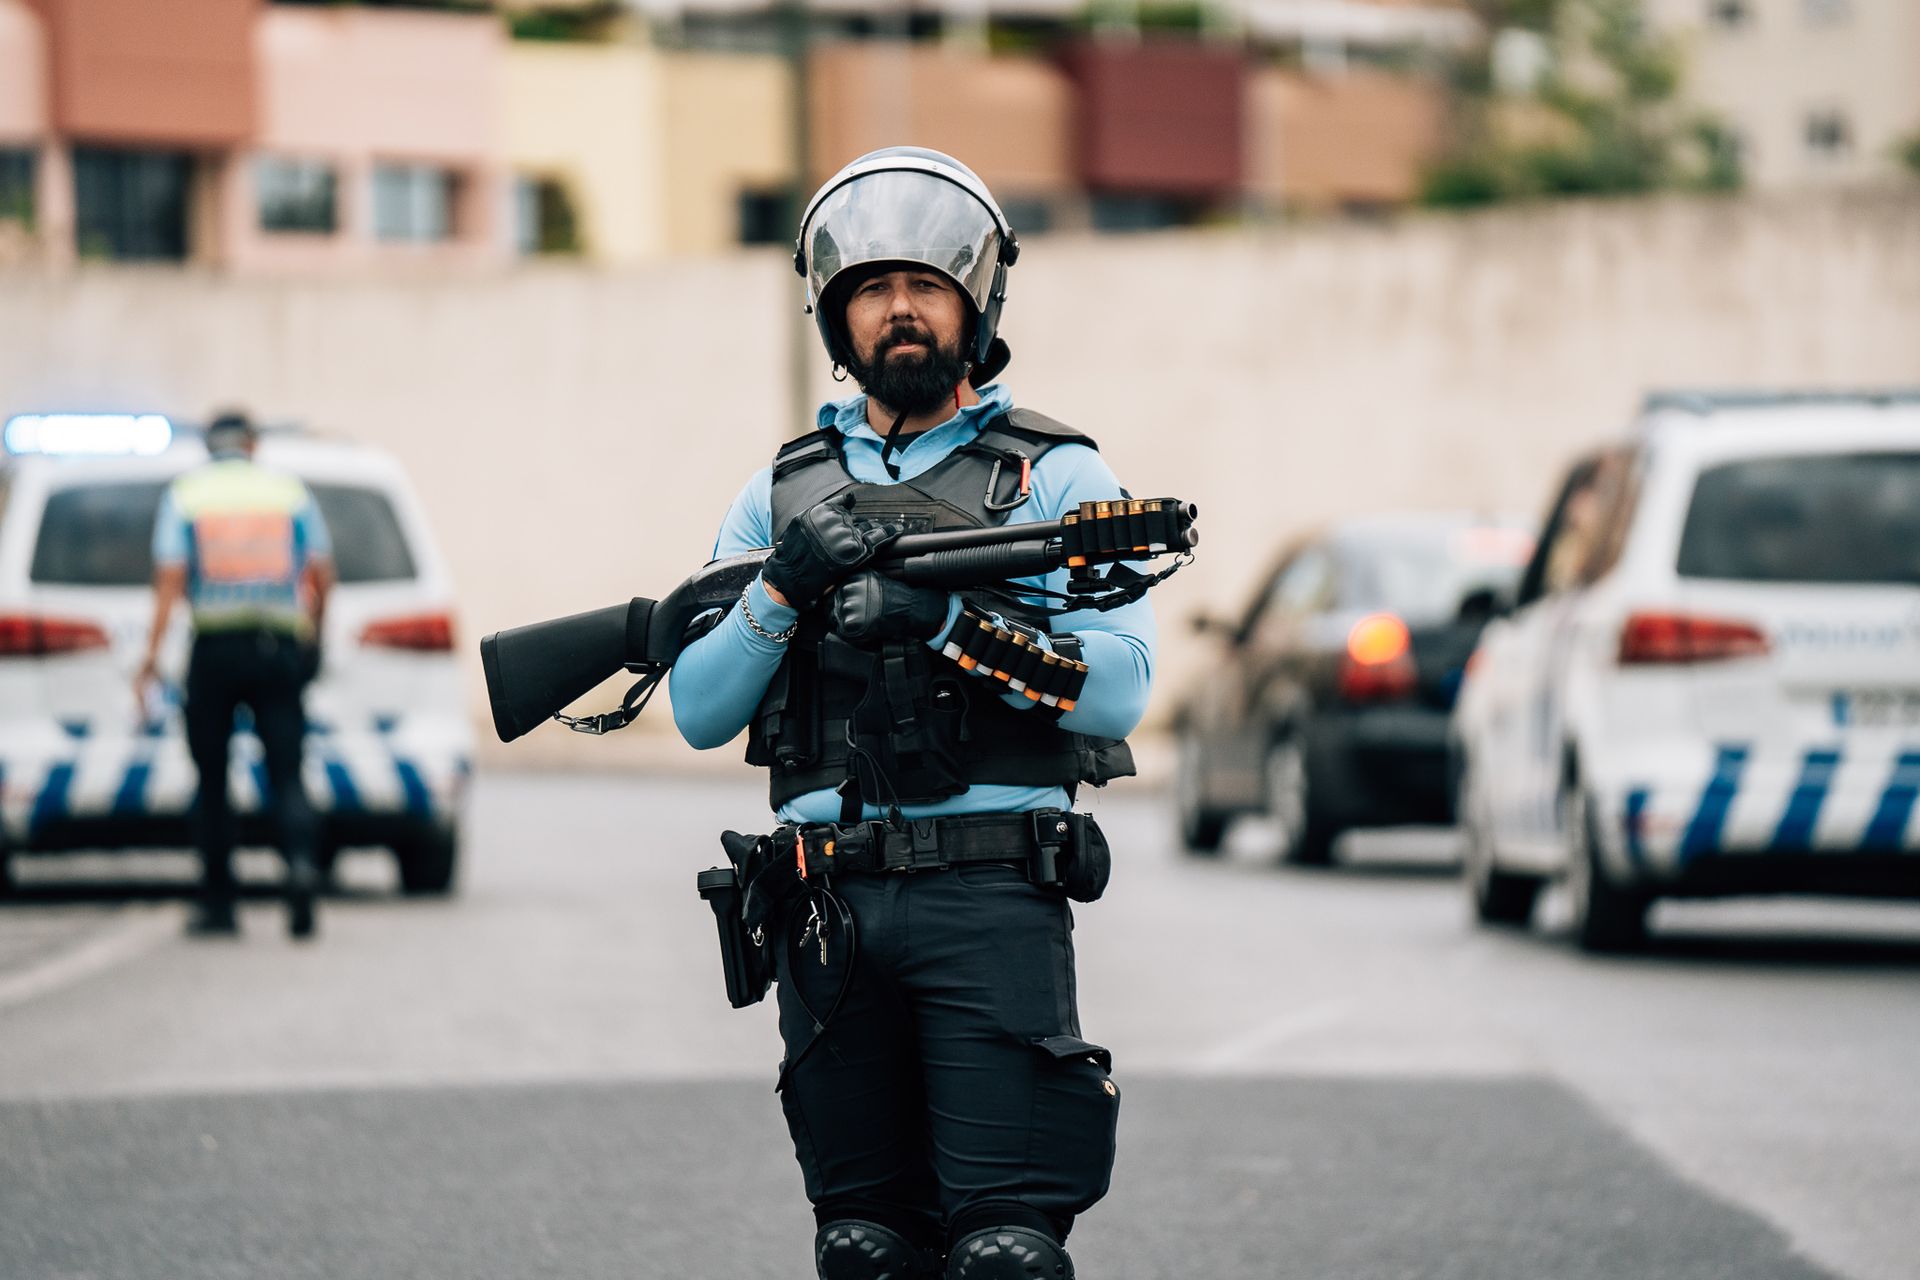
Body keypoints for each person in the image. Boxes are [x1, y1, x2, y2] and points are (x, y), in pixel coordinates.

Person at [669, 148, 1155, 1280]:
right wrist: (783, 586)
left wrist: (943, 626)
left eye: (926, 285)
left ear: (974, 301)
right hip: (826, 906)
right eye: (874, 288)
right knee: (866, 1249)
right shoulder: (778, 491)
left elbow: (1124, 678)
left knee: (1001, 1255)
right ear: (838, 315)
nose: (900, 309)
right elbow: (698, 707)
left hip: (988, 899)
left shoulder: (1056, 481)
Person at [135, 411, 335, 940]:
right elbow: (321, 574)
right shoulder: (288, 492)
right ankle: (298, 867)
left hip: (215, 650)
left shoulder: (188, 494)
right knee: (287, 773)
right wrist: (314, 634)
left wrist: (150, 657)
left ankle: (221, 902)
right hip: (277, 648)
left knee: (213, 777)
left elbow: (170, 582)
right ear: (251, 444)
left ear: (209, 445)